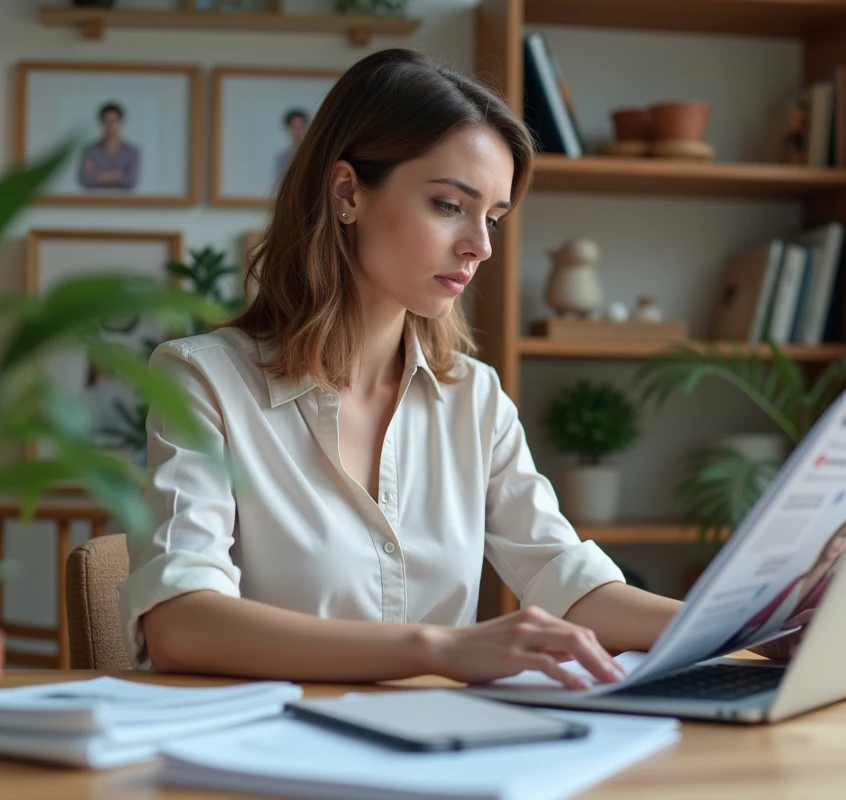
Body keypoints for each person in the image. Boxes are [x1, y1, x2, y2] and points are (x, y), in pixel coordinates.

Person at [119, 49, 797, 691]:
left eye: (493, 216)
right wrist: (439, 648)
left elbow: (570, 583)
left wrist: (762, 628)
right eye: (449, 205)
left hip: (437, 752)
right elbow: (181, 622)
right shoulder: (203, 381)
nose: (480, 247)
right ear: (348, 193)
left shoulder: (473, 398)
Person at [721, 510, 846, 655]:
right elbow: (742, 631)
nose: (844, 543)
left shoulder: (836, 587)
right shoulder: (782, 579)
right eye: (842, 534)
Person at [78, 101, 140, 190]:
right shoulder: (90, 150)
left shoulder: (132, 151)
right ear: (101, 122)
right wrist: (118, 175)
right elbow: (85, 179)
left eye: (114, 121)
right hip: (95, 200)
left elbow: (131, 181)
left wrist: (98, 175)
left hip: (123, 201)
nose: (111, 125)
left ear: (121, 122)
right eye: (107, 121)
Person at [273, 108, 309, 187]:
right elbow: (279, 186)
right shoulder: (282, 158)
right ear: (289, 130)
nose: (298, 132)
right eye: (295, 127)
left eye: (301, 127)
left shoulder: (314, 154)